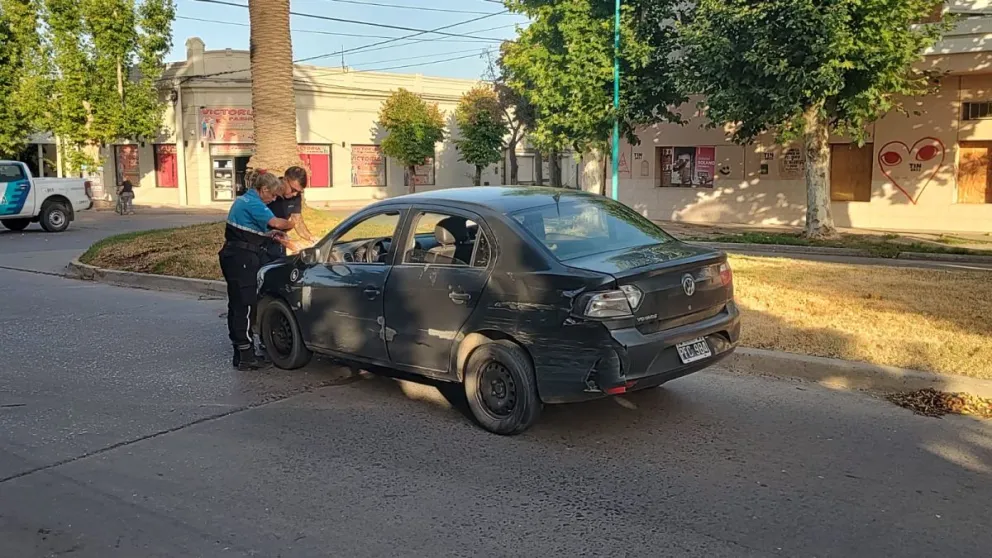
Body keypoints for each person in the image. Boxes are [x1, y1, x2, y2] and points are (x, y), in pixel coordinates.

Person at [219, 170, 294, 371]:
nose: (274, 199)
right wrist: (291, 223)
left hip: (238, 256)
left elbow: (250, 229)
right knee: (244, 304)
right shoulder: (253, 203)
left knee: (241, 303)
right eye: (273, 195)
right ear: (264, 190)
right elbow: (277, 222)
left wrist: (269, 235)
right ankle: (245, 354)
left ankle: (244, 352)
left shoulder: (246, 201)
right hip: (240, 259)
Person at [261, 165, 316, 265]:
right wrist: (290, 243)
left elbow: (297, 221)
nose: (295, 194)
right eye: (294, 190)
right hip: (259, 243)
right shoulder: (268, 191)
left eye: (299, 192)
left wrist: (312, 238)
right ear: (285, 180)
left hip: (278, 243)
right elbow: (266, 224)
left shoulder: (295, 196)